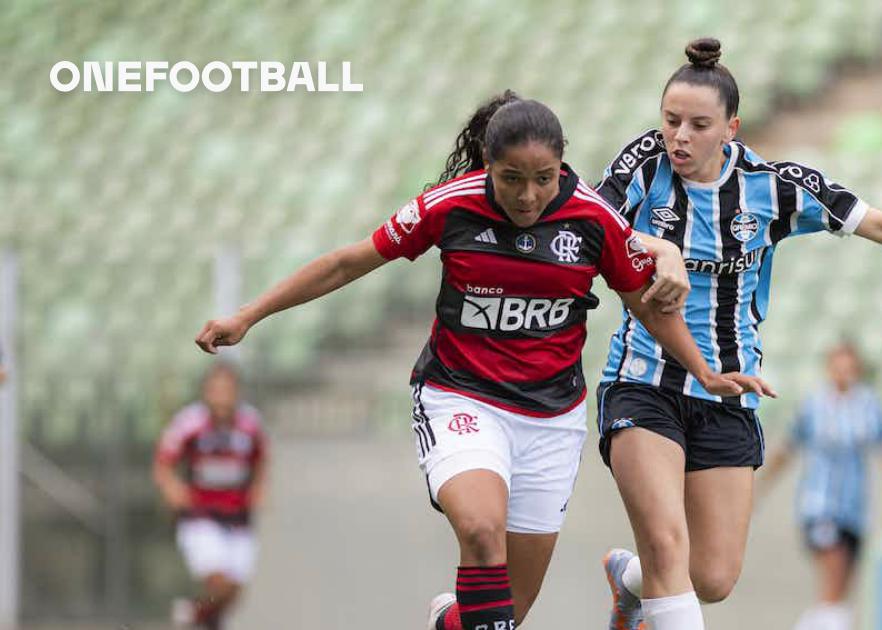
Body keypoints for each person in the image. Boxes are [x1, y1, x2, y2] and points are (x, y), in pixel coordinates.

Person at [193, 91, 766, 630]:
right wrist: (248, 315)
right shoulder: (450, 206)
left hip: (550, 419)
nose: (527, 196)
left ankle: (450, 619)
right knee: (482, 530)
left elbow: (644, 303)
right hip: (461, 397)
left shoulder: (593, 218)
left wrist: (704, 371)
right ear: (487, 166)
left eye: (542, 180)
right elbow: (348, 262)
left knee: (503, 613)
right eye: (512, 179)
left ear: (562, 168)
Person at [591, 38, 882, 630]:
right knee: (667, 545)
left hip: (729, 389)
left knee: (713, 578)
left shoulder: (772, 187)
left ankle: (626, 579)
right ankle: (646, 573)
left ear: (731, 128)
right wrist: (656, 246)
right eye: (671, 120)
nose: (679, 136)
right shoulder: (642, 165)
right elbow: (590, 223)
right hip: (641, 380)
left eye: (698, 125)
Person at [757, 342, 882, 630]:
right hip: (819, 505)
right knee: (833, 575)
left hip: (854, 509)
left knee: (841, 591)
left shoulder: (868, 405)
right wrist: (760, 487)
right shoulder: (813, 405)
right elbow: (787, 449)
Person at [154, 362, 268, 630]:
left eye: (227, 390)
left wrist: (259, 488)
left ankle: (193, 616)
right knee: (219, 582)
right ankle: (200, 616)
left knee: (235, 591)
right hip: (201, 516)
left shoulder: (249, 424)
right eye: (216, 390)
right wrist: (172, 487)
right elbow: (163, 461)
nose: (221, 396)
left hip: (239, 518)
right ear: (206, 391)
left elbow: (261, 458)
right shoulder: (189, 422)